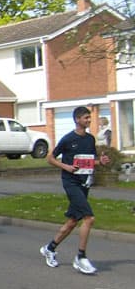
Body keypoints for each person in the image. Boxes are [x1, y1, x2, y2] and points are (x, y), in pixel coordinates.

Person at [39, 106, 110, 275]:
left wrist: (101, 162)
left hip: (84, 183)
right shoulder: (67, 139)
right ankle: (81, 257)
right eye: (86, 118)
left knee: (72, 221)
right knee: (89, 218)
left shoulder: (90, 139)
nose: (89, 120)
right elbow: (50, 158)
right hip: (70, 183)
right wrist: (66, 167)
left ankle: (50, 248)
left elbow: (89, 162)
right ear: (77, 119)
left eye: (89, 118)